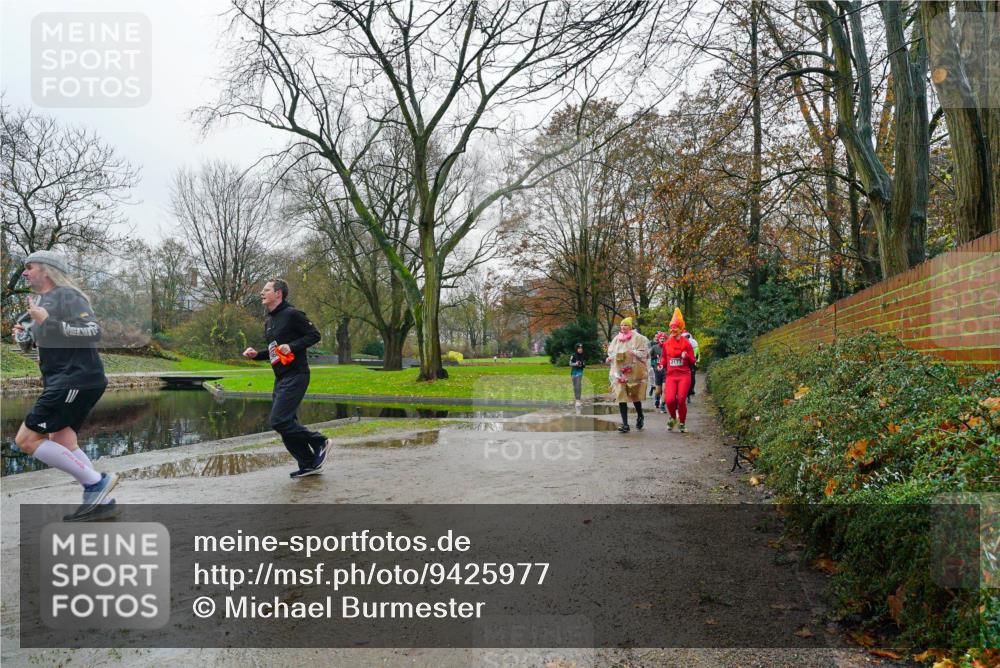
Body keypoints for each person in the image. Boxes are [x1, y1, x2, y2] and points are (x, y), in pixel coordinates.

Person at [12, 251, 118, 519]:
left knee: (26, 440)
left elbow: (93, 331)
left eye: (30, 268)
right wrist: (24, 337)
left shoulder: (67, 296)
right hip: (64, 380)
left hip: (75, 379)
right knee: (61, 439)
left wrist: (47, 321)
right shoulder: (42, 301)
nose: (25, 273)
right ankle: (100, 503)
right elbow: (43, 343)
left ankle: (96, 483)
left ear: (47, 271)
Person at [243, 279, 332, 478]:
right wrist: (256, 355)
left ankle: (319, 441)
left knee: (279, 420)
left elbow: (314, 335)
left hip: (297, 374)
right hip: (281, 377)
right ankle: (309, 463)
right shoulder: (269, 321)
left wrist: (292, 346)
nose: (261, 293)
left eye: (266, 290)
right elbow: (274, 351)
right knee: (286, 424)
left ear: (278, 294)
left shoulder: (293, 314)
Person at [605, 317, 649, 433]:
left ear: (630, 327)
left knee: (634, 396)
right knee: (621, 396)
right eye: (622, 325)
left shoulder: (638, 338)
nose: (623, 327)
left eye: (626, 325)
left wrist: (633, 352)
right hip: (619, 373)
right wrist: (610, 358)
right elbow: (611, 352)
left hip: (633, 372)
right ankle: (625, 424)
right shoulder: (617, 339)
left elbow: (644, 353)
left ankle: (640, 415)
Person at [658, 308, 696, 433]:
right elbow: (664, 357)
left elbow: (693, 360)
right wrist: (661, 364)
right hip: (671, 375)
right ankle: (673, 418)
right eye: (671, 327)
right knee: (669, 400)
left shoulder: (687, 343)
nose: (672, 330)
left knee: (680, 399)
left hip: (684, 375)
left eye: (675, 327)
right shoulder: (667, 343)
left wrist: (687, 357)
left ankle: (682, 423)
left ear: (681, 329)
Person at [681, 330, 701, 402]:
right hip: (682, 362)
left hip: (691, 361)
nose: (685, 338)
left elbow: (697, 352)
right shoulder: (679, 342)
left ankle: (690, 390)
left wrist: (696, 360)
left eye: (686, 337)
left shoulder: (693, 342)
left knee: (692, 377)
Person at [569, 343, 586, 408]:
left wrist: (582, 364)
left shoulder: (583, 355)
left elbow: (584, 364)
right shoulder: (573, 355)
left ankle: (578, 400)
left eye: (581, 348)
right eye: (579, 348)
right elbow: (570, 363)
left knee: (578, 385)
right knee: (575, 386)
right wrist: (575, 364)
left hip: (579, 372)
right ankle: (576, 399)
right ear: (576, 349)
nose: (580, 349)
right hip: (573, 372)